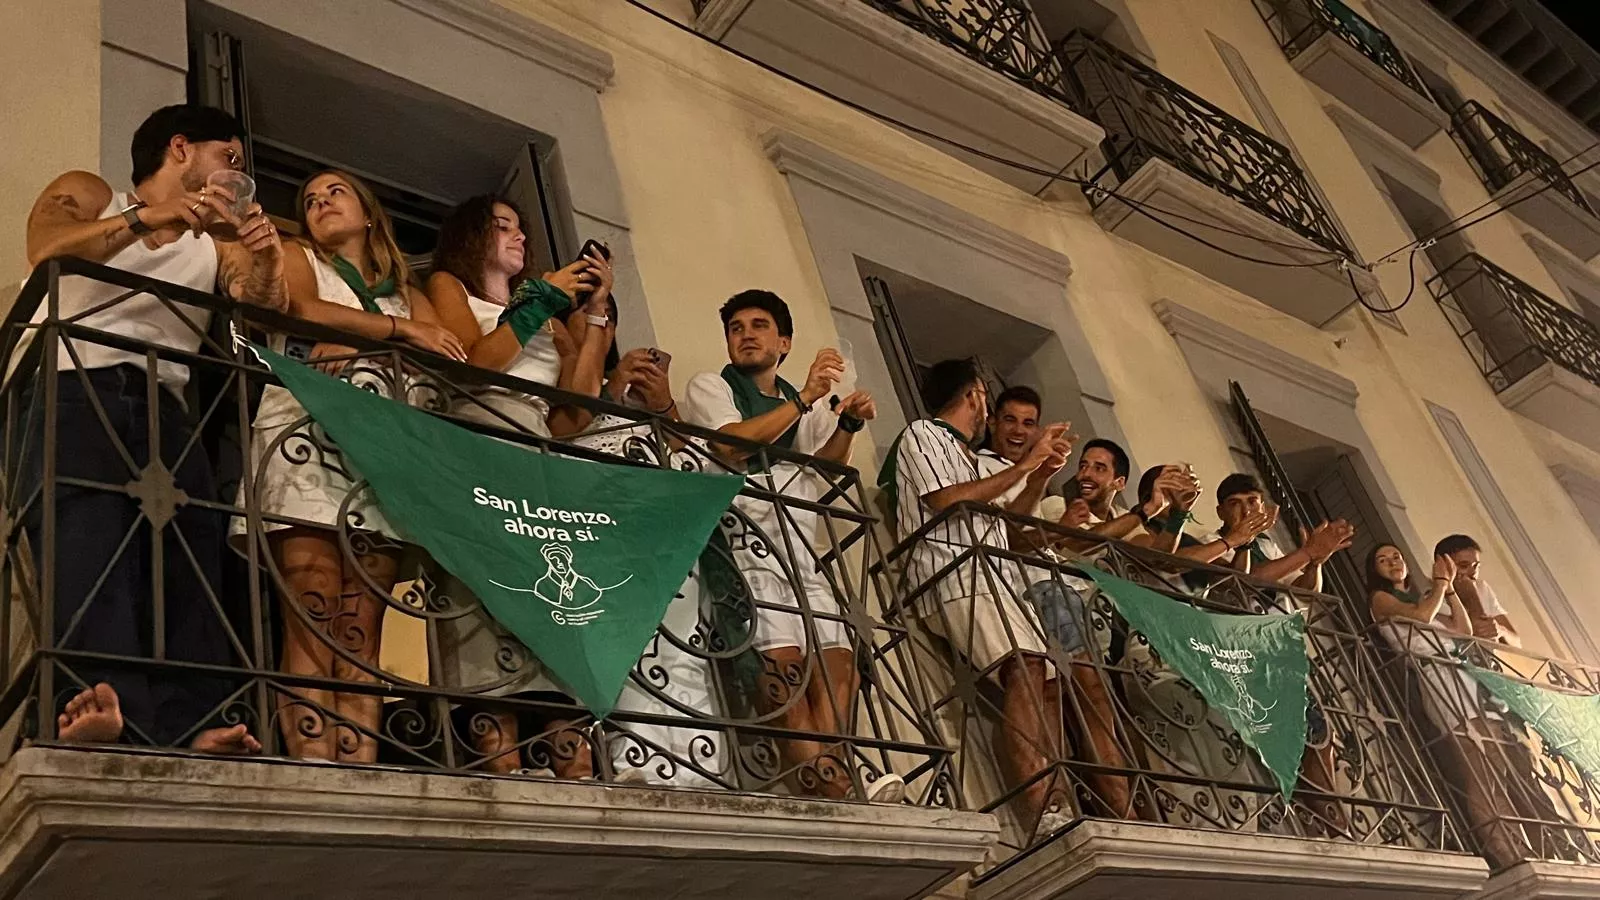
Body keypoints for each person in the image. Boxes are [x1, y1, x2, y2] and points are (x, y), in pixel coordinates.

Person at [19, 103, 297, 753]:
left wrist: (266, 258)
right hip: (73, 385)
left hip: (166, 403)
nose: (238, 174)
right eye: (229, 158)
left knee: (186, 559)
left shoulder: (216, 241)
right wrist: (150, 215)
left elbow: (261, 309)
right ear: (180, 149)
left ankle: (188, 724)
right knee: (87, 546)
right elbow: (45, 251)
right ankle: (93, 708)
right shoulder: (93, 192)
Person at [237, 169, 468, 762]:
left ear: (368, 213)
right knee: (312, 606)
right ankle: (317, 766)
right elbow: (302, 309)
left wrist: (371, 338)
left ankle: (358, 764)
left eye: (333, 193)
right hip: (303, 433)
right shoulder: (296, 256)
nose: (318, 203)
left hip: (381, 455)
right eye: (309, 199)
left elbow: (446, 350)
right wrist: (397, 331)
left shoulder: (405, 289)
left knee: (361, 623)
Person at [883, 358, 1130, 835]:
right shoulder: (922, 434)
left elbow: (1013, 534)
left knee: (1049, 682)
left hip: (991, 578)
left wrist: (1037, 476)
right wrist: (1025, 463)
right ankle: (1041, 812)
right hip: (953, 576)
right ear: (975, 395)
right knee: (1025, 667)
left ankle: (1059, 802)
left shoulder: (972, 458)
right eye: (987, 402)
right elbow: (947, 500)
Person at [682, 289, 903, 802]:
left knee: (837, 665)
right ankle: (837, 789)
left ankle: (829, 779)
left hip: (802, 549)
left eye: (759, 326)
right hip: (748, 548)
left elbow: (822, 478)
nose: (746, 335)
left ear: (783, 342)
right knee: (781, 675)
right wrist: (803, 400)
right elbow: (730, 445)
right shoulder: (712, 385)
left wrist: (846, 422)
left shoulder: (803, 401)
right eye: (736, 328)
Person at [422, 195, 610, 778]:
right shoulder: (449, 286)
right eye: (502, 226)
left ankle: (571, 759)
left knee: (552, 607)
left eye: (521, 227)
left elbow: (575, 412)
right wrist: (539, 300)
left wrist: (597, 315)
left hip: (537, 455)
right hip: (477, 442)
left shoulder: (553, 317)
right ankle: (497, 759)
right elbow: (475, 363)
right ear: (472, 237)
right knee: (484, 602)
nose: (519, 236)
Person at [1200, 474, 1355, 590]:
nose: (1246, 511)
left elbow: (1304, 592)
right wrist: (1308, 552)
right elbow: (1242, 583)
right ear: (1221, 512)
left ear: (1262, 507)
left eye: (1252, 501)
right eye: (1235, 503)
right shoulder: (1209, 542)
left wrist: (1315, 563)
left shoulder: (1266, 544)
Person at [1435, 534, 1521, 647]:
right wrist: (1472, 597)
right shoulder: (1433, 596)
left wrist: (1501, 630)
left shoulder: (1482, 587)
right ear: (1443, 566)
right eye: (1464, 565)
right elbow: (1479, 636)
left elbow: (1516, 642)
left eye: (1476, 566)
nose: (1473, 572)